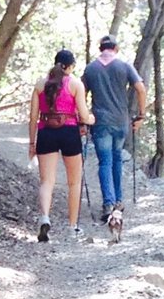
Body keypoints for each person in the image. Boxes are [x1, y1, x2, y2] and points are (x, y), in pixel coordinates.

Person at [29, 49, 95, 242]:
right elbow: (83, 115)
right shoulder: (75, 84)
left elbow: (33, 117)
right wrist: (91, 119)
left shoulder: (40, 85)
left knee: (46, 181)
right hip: (69, 133)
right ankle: (73, 226)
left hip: (46, 132)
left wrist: (32, 142)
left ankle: (44, 218)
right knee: (74, 182)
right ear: (71, 66)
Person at [81, 35, 147, 222]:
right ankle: (118, 201)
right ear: (115, 48)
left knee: (105, 161)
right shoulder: (124, 66)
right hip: (121, 121)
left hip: (100, 121)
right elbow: (141, 89)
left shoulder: (91, 69)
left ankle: (108, 203)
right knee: (117, 158)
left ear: (100, 48)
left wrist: (83, 119)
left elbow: (81, 93)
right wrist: (141, 115)